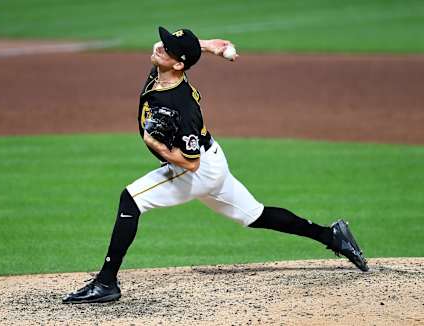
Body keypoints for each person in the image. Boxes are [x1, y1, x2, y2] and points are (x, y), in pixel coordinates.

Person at [62, 26, 368, 304]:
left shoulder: (181, 106)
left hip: (198, 170)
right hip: (214, 161)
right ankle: (332, 236)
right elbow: (167, 47)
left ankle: (106, 283)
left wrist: (156, 146)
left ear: (179, 64)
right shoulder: (166, 69)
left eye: (167, 49)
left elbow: (190, 164)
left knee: (132, 198)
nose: (159, 48)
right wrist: (207, 46)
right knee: (255, 214)